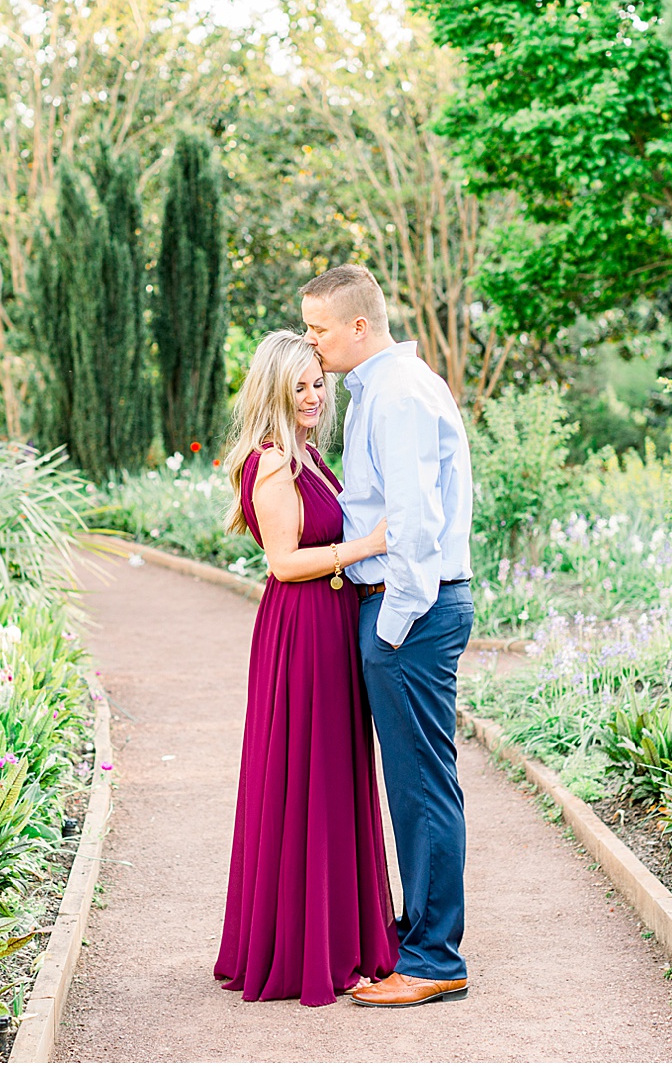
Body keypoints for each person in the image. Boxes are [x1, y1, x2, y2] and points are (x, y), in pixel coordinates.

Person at [300, 265, 476, 1008]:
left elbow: (413, 524)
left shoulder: (397, 395)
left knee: (420, 788)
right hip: (404, 611)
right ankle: (418, 937)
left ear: (358, 328)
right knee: (413, 786)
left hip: (411, 614)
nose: (312, 344)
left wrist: (392, 625)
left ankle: (434, 958)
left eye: (318, 329)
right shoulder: (383, 389)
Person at [212, 330, 398, 1007]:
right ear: (275, 392)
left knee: (332, 775)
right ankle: (301, 948)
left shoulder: (309, 454)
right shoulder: (269, 463)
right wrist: (369, 545)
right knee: (307, 777)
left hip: (330, 626)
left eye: (318, 382)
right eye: (301, 386)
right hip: (301, 631)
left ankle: (337, 935)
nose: (315, 394)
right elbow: (284, 561)